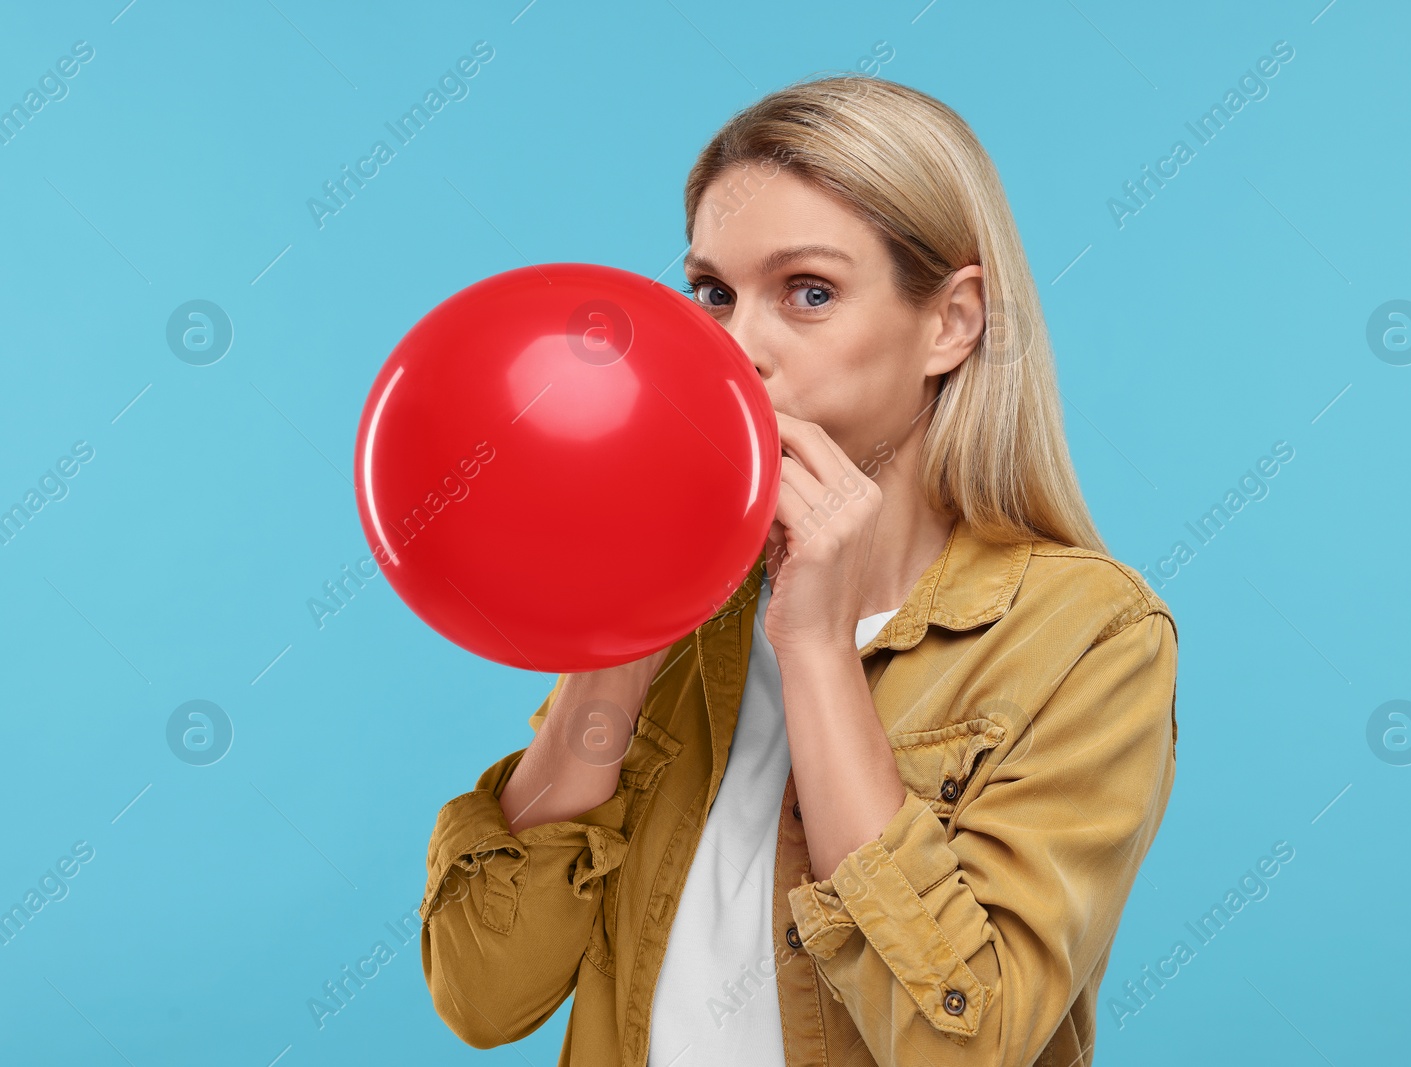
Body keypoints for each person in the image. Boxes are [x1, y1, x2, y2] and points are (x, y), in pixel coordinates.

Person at [419, 73, 1179, 1066]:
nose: (737, 346)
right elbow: (485, 992)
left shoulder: (1088, 635)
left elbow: (960, 1043)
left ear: (952, 321)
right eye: (712, 293)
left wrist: (817, 648)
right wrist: (622, 628)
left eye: (807, 292)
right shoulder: (676, 607)